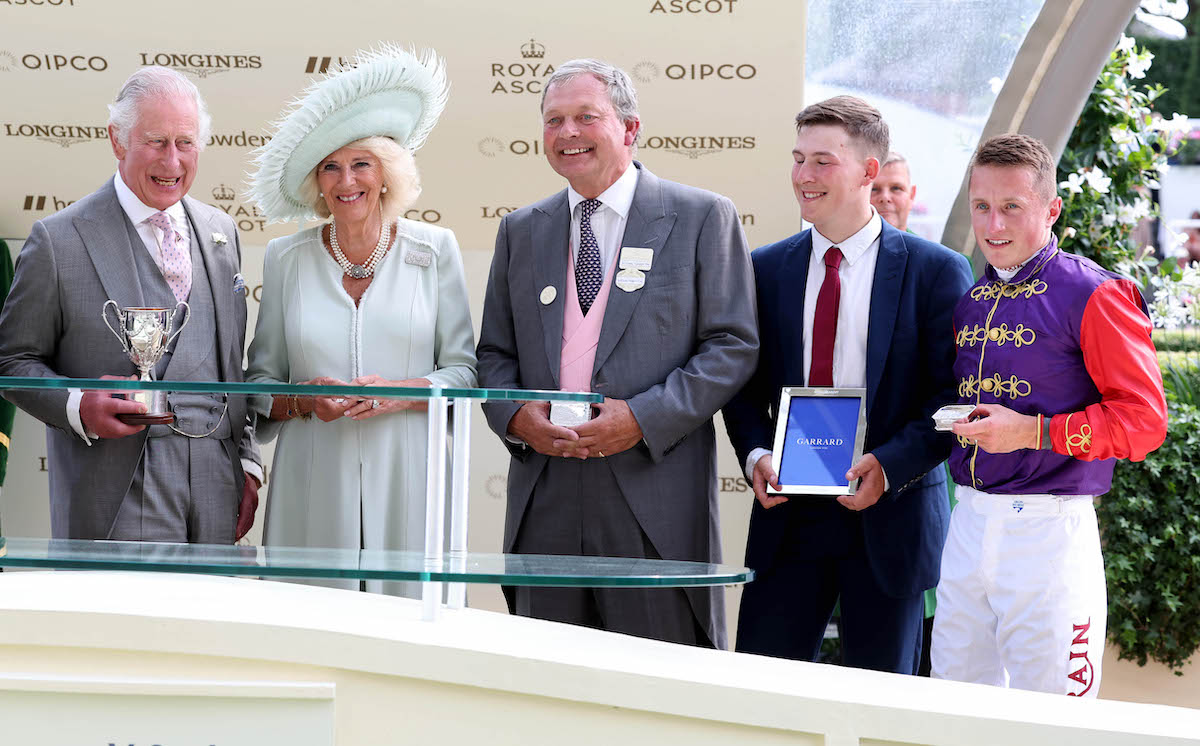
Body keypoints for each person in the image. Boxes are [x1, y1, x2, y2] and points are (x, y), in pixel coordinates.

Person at [475, 59, 758, 648]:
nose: (568, 133)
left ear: (630, 129)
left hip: (652, 495)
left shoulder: (703, 216)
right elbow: (495, 354)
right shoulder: (522, 230)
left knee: (659, 687)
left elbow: (731, 346)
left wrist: (641, 419)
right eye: (554, 120)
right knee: (547, 682)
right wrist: (517, 419)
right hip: (546, 494)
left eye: (586, 117)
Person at [722, 96, 973, 674]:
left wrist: (887, 465)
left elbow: (950, 398)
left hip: (891, 515)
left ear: (868, 171)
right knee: (764, 697)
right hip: (788, 518)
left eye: (822, 161)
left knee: (883, 705)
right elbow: (738, 384)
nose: (804, 176)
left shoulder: (935, 270)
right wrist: (758, 452)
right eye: (798, 159)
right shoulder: (764, 268)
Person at [934, 133, 1168, 697]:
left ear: (1051, 208)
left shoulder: (1096, 293)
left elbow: (1144, 422)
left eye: (1012, 206)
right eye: (982, 207)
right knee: (949, 712)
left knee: (1057, 721)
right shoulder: (972, 300)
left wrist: (1033, 431)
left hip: (1050, 532)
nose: (993, 226)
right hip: (966, 524)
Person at [246, 46, 476, 596]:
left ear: (386, 173)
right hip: (313, 481)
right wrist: (304, 400)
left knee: (414, 639)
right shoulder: (285, 259)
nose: (346, 180)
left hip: (411, 477)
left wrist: (406, 390)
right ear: (317, 184)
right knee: (315, 635)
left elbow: (466, 373)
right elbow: (256, 385)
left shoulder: (436, 249)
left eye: (360, 163)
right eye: (330, 167)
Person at [0, 67, 261, 543]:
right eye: (156, 142)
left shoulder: (221, 232)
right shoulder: (58, 240)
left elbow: (230, 369)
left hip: (215, 489)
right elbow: (11, 361)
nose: (173, 160)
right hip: (114, 492)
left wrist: (246, 463)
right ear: (117, 140)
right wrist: (78, 405)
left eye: (186, 142)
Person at [870, 152, 917, 233]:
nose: (885, 197)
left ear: (911, 196)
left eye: (896, 188)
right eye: (874, 189)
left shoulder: (922, 246)